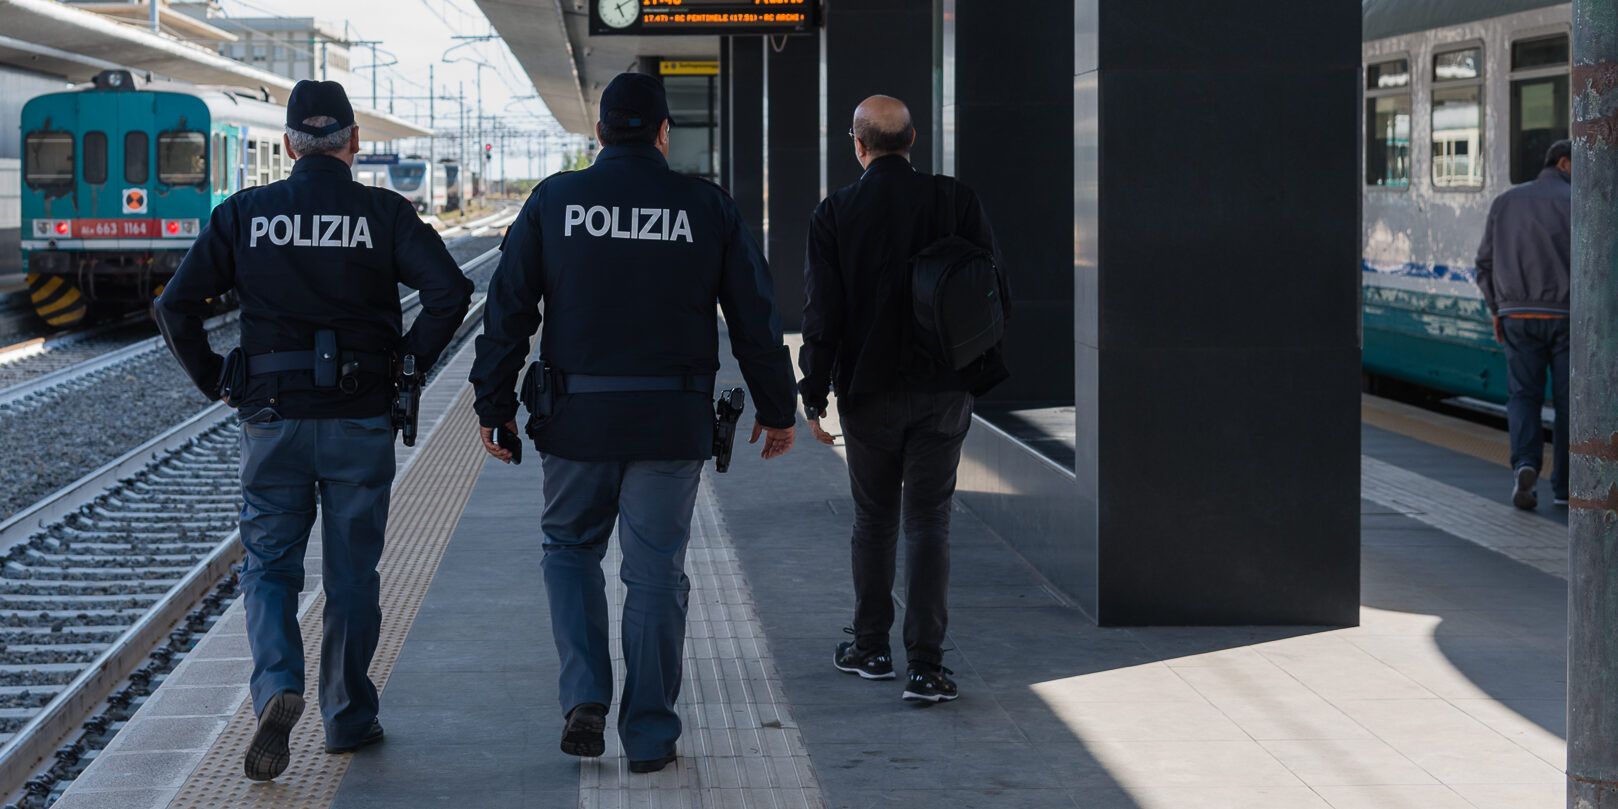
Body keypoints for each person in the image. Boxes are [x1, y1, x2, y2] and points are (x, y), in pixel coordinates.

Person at [468, 72, 797, 774]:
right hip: (669, 421)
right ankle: (649, 734)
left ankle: (585, 693)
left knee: (568, 549)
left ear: (598, 135)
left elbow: (509, 310)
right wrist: (777, 407)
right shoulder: (705, 207)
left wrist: (493, 403)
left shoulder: (556, 199)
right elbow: (755, 319)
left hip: (575, 417)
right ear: (661, 132)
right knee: (654, 575)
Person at [154, 80, 472, 781]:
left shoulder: (245, 213)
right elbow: (452, 290)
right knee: (353, 570)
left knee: (269, 564)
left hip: (272, 417)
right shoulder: (384, 213)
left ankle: (276, 688)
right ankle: (348, 714)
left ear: (293, 142)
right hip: (360, 417)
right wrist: (410, 362)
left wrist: (217, 379)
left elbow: (175, 305)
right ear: (353, 143)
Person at [799, 95, 1007, 704]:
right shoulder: (956, 200)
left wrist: (812, 394)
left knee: (874, 520)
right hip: (943, 390)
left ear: (858, 145)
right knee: (929, 521)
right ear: (912, 139)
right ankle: (926, 665)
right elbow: (995, 289)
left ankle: (870, 647)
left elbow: (822, 313)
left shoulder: (833, 213)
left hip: (868, 393)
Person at [1476, 139, 1572, 510]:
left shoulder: (1505, 202)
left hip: (1516, 316)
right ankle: (1565, 488)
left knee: (1523, 396)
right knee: (1569, 404)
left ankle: (1526, 465)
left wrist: (1498, 309)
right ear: (1564, 163)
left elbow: (1484, 263)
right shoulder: (1582, 202)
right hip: (1567, 318)